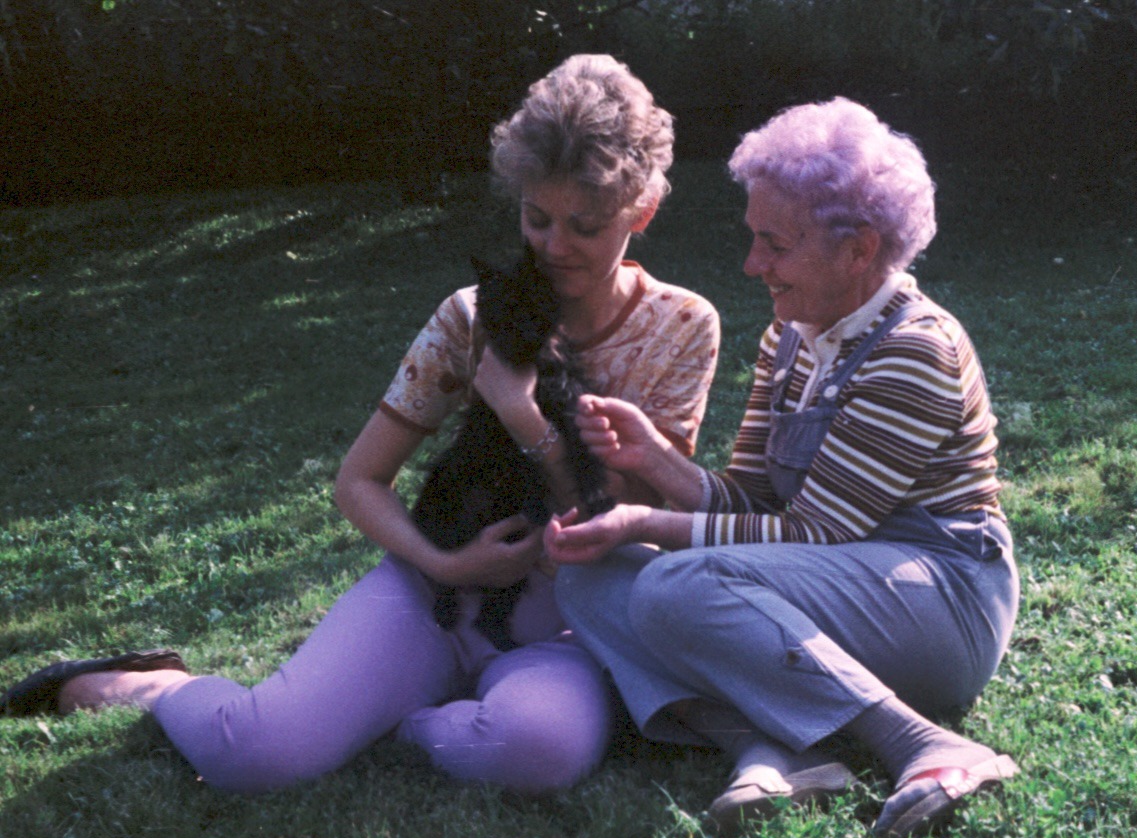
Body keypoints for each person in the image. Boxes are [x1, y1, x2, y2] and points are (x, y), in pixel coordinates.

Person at [1, 55, 720, 795]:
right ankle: (155, 686)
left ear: (641, 211)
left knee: (536, 750)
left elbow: (621, 522)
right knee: (257, 754)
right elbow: (359, 482)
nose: (554, 246)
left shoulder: (681, 325)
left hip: (567, 620)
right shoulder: (470, 315)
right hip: (435, 595)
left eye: (585, 226)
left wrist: (519, 413)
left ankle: (406, 721)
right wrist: (445, 565)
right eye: (536, 218)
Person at [546, 97, 1019, 838]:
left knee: (677, 581)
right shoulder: (792, 334)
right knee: (589, 580)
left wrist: (646, 521)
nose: (751, 264)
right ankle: (774, 751)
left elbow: (814, 534)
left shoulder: (912, 350)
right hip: (832, 585)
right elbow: (756, 499)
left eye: (774, 244)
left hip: (943, 598)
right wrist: (660, 463)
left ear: (858, 250)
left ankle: (921, 742)